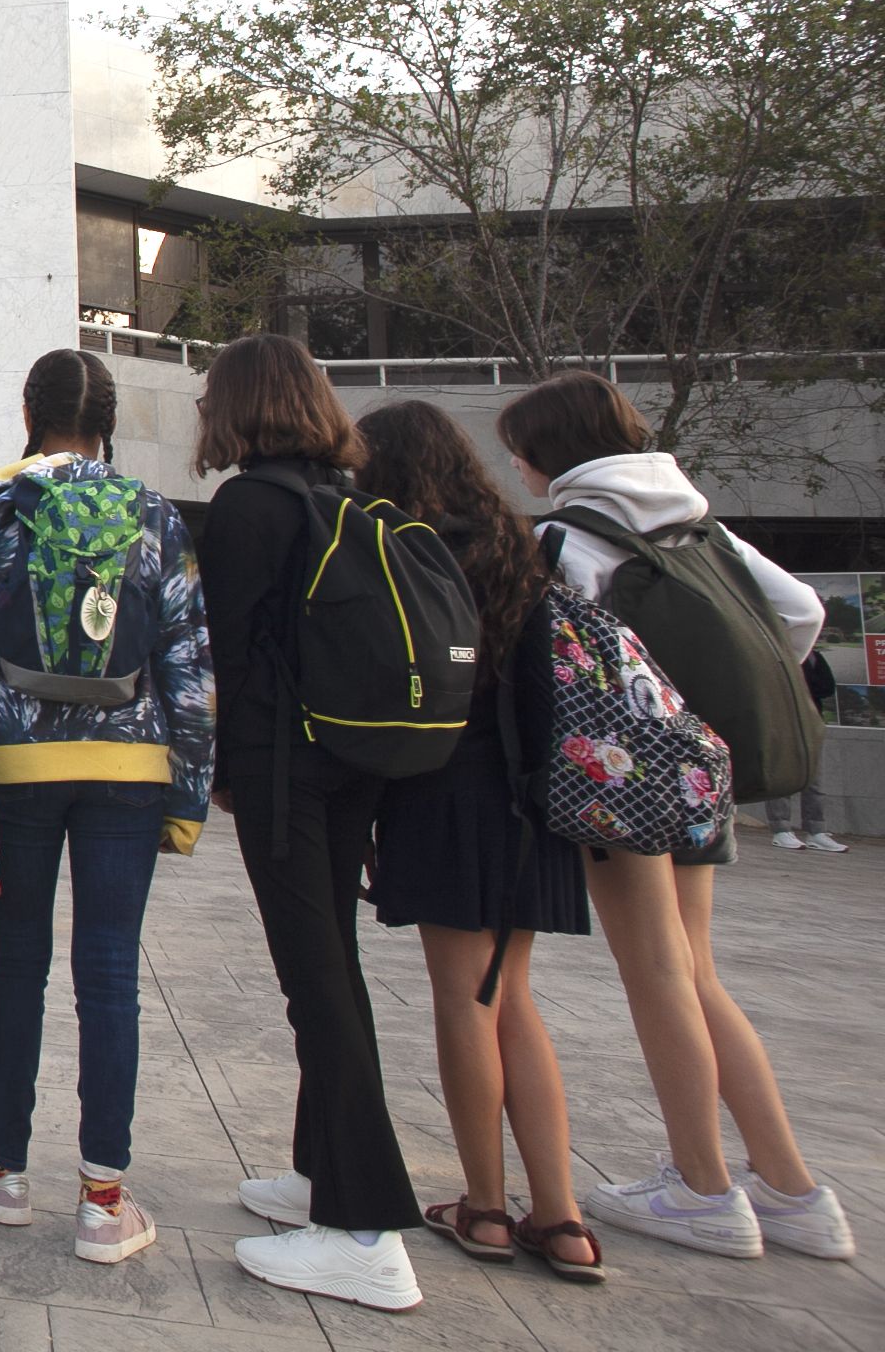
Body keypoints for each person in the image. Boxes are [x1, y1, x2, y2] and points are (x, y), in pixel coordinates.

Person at [496, 371, 854, 1260]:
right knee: (696, 970)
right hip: (704, 767)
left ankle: (701, 1187)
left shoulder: (569, 537)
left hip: (625, 777)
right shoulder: (699, 521)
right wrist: (708, 711)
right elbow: (799, 612)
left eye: (520, 448)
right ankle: (792, 1188)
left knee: (656, 971)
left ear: (548, 453)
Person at [0, 350, 211, 1267]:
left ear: (29, 409)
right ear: (110, 419)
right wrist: (191, 790)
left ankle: (5, 1172)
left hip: (17, 767)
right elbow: (187, 660)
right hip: (128, 768)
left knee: (16, 969)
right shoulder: (156, 515)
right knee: (109, 976)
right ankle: (104, 1200)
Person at [194, 332, 424, 1309]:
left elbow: (230, 653)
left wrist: (221, 770)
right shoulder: (348, 497)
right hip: (354, 761)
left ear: (237, 405)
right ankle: (322, 1169)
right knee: (332, 967)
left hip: (282, 767)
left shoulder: (248, 503)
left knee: (315, 981)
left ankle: (367, 1227)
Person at [358, 401, 602, 1279]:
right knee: (514, 998)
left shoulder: (405, 552)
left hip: (439, 796)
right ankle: (564, 1217)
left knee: (464, 1000)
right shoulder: (517, 548)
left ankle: (488, 1206)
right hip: (524, 802)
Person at [769, 652, 848, 852]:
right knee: (782, 778)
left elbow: (827, 687)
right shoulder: (775, 654)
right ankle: (781, 829)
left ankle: (817, 831)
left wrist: (800, 684)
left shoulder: (814, 657)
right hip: (782, 721)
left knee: (814, 780)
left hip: (810, 722)